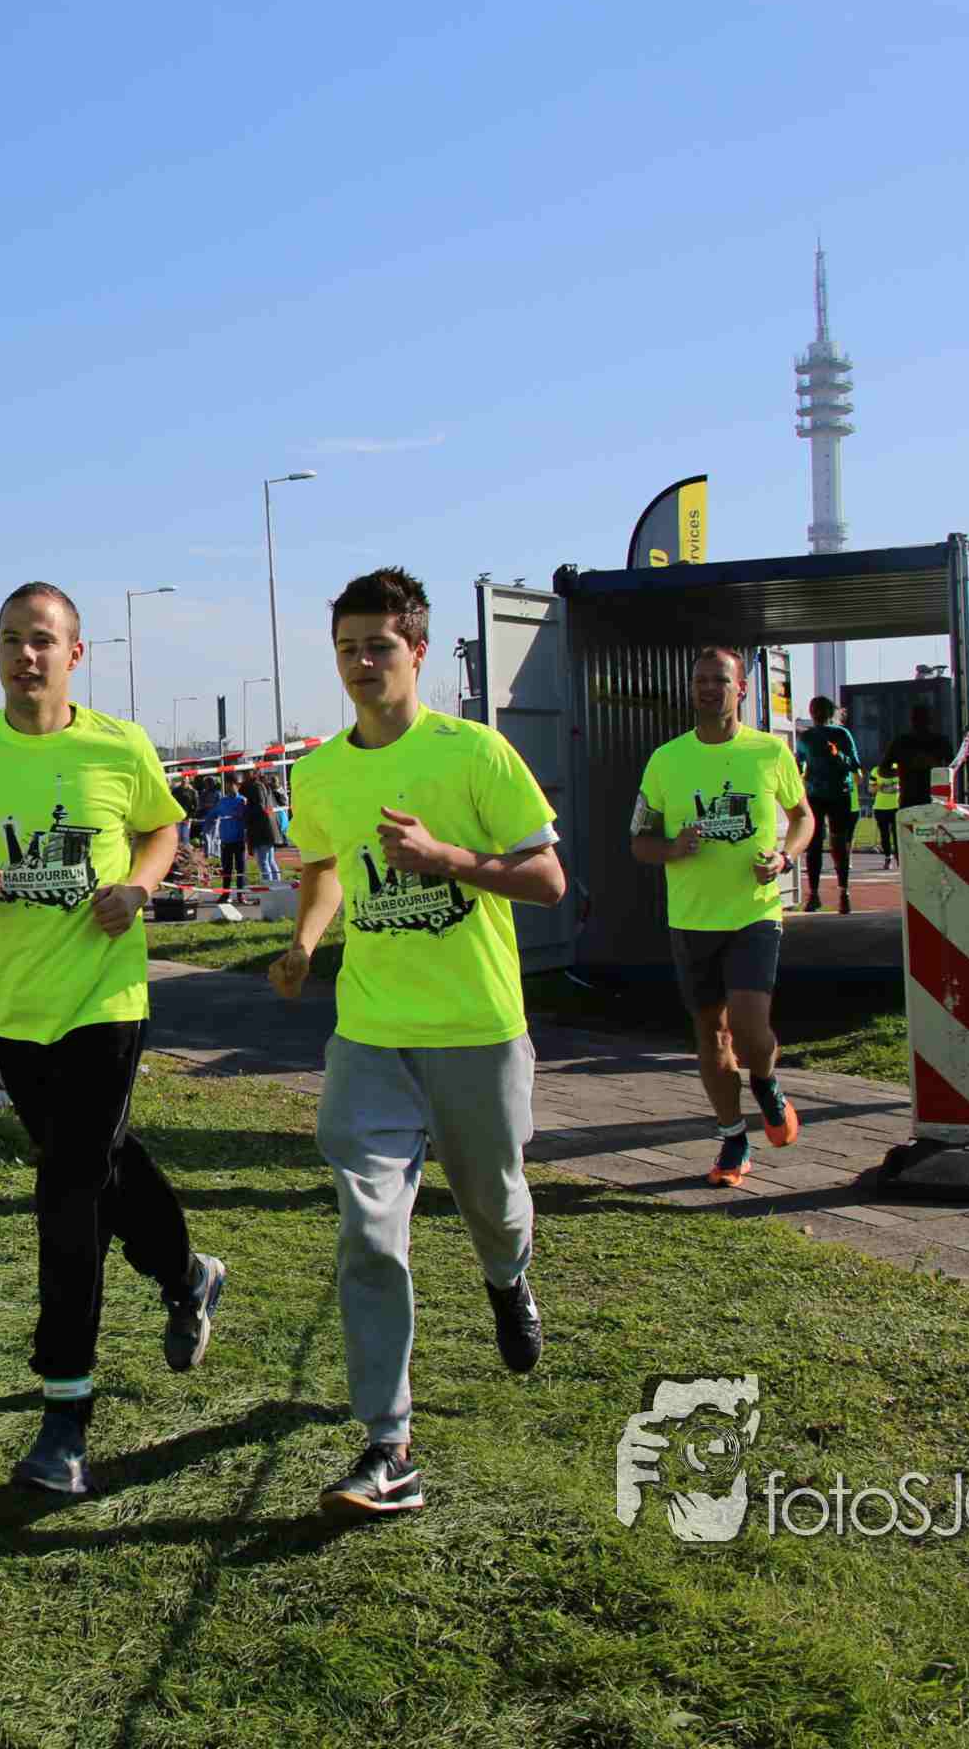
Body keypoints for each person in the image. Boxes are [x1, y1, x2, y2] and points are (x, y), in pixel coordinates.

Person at [0, 583, 224, 1498]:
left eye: (41, 641)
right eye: (9, 641)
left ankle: (64, 1410)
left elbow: (163, 828)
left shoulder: (119, 746)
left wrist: (140, 889)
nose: (24, 656)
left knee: (68, 1189)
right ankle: (187, 1275)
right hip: (17, 1012)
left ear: (76, 654)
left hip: (107, 1001)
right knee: (104, 1164)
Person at [267, 567, 564, 1519]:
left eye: (380, 646)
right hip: (370, 1033)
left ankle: (507, 1279)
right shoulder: (319, 772)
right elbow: (323, 869)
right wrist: (306, 941)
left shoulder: (475, 753)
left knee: (497, 1207)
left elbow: (548, 878)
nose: (362, 663)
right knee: (368, 1230)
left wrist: (450, 860)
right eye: (347, 648)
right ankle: (388, 1444)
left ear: (418, 652)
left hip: (477, 1029)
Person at [631, 648, 814, 1188]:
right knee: (711, 1035)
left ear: (741, 689)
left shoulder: (769, 751)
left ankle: (766, 1081)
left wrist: (785, 858)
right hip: (692, 919)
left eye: (720, 680)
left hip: (754, 912)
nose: (709, 688)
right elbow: (639, 842)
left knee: (752, 1031)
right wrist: (672, 848)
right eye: (701, 681)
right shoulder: (666, 759)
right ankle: (733, 1138)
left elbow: (803, 818)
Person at [794, 696, 862, 914]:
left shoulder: (835, 734)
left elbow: (854, 764)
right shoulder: (812, 736)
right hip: (825, 794)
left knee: (826, 843)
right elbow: (799, 762)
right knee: (827, 844)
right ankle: (830, 894)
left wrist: (836, 754)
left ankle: (831, 894)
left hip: (830, 793)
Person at [882, 704, 953, 813]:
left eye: (923, 719)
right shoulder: (901, 742)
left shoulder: (941, 741)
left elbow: (953, 768)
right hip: (913, 802)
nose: (921, 722)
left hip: (933, 801)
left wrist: (933, 766)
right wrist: (905, 769)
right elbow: (883, 770)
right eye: (918, 718)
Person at [245, 767, 284, 883]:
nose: (244, 775)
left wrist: (246, 810)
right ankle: (277, 886)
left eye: (247, 772)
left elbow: (260, 807)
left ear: (253, 774)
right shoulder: (264, 786)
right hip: (269, 827)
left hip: (262, 829)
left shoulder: (256, 787)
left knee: (264, 862)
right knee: (270, 861)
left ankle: (270, 887)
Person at [213, 770, 251, 890]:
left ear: (237, 785)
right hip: (226, 840)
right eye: (228, 784)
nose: (230, 787)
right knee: (226, 869)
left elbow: (246, 817)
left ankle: (241, 893)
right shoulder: (222, 801)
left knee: (241, 868)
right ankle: (225, 893)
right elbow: (214, 815)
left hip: (239, 839)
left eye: (233, 784)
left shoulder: (243, 800)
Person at [870, 761, 901, 863]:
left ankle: (899, 859)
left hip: (896, 807)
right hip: (880, 808)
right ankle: (888, 856)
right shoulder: (876, 770)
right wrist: (882, 786)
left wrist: (898, 787)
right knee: (884, 835)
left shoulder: (899, 767)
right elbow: (871, 789)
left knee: (898, 835)